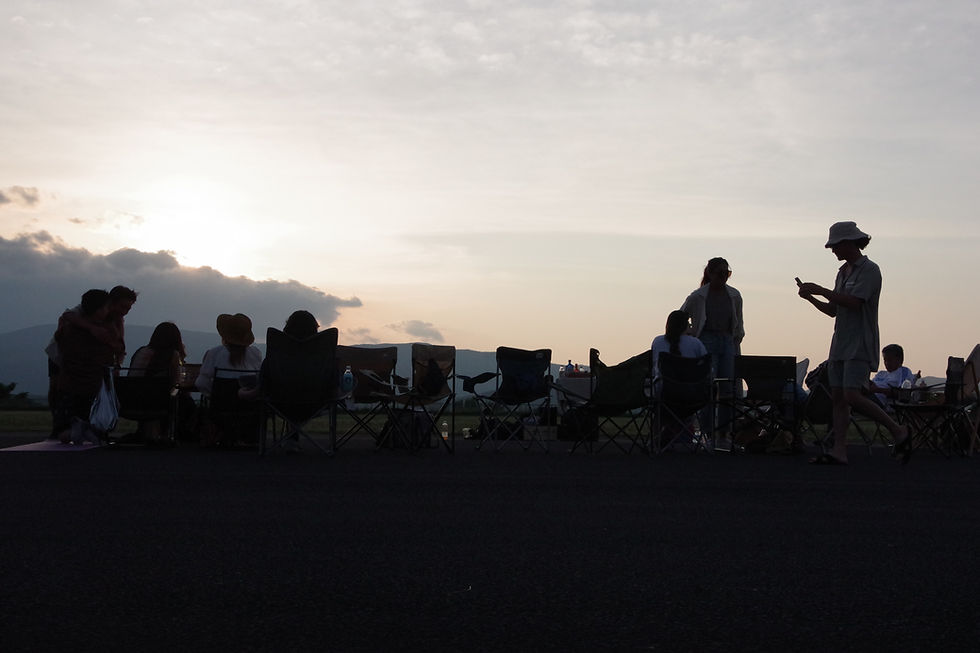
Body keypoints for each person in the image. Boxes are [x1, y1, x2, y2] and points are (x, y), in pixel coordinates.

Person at [797, 221, 910, 465]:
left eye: (835, 245)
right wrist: (811, 298)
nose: (832, 250)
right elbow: (833, 310)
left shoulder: (870, 270)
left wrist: (821, 290)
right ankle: (840, 450)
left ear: (849, 243)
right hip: (840, 342)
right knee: (838, 397)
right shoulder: (842, 273)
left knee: (852, 395)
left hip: (860, 342)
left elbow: (856, 302)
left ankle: (897, 430)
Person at [680, 257, 744, 440]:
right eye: (720, 273)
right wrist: (691, 333)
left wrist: (736, 338)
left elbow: (738, 321)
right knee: (707, 386)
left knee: (727, 388)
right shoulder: (698, 296)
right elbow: (680, 315)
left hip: (727, 340)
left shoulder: (734, 295)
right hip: (706, 339)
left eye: (727, 273)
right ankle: (708, 431)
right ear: (710, 273)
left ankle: (724, 431)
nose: (724, 277)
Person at [51, 289, 116, 443]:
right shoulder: (103, 331)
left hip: (68, 382)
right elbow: (110, 353)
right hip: (92, 384)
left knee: (65, 424)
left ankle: (74, 431)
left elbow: (60, 341)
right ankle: (85, 430)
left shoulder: (70, 328)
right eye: (106, 308)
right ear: (100, 309)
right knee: (88, 414)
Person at [128, 321, 195, 443]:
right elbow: (177, 383)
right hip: (156, 402)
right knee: (187, 402)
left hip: (131, 400)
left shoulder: (140, 351)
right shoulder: (172, 355)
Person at [195, 313, 264, 395]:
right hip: (248, 405)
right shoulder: (255, 354)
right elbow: (259, 381)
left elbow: (201, 383)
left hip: (221, 405)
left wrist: (215, 394)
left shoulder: (215, 353)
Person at [650, 310, 708, 383]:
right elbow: (707, 367)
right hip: (691, 389)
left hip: (663, 390)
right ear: (685, 326)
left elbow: (653, 366)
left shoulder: (658, 342)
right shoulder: (696, 343)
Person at [869, 344, 920, 411]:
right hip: (869, 395)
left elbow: (902, 393)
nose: (886, 363)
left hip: (880, 401)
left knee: (853, 394)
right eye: (885, 360)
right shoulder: (881, 374)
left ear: (899, 360)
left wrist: (878, 390)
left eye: (889, 360)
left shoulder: (903, 371)